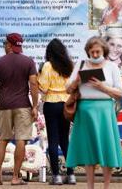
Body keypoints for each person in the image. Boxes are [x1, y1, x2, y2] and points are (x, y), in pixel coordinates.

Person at [66, 36, 122, 189]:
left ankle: (106, 186)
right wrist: (77, 81)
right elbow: (67, 89)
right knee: (88, 150)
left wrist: (102, 87)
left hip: (105, 110)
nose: (96, 54)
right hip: (85, 111)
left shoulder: (112, 66)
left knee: (106, 148)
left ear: (104, 51)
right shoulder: (81, 64)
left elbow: (120, 93)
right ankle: (89, 186)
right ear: (88, 51)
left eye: (98, 51)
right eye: (93, 52)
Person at [0, 33, 38, 186]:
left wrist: (3, 88)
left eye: (5, 44)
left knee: (3, 139)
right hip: (23, 105)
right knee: (21, 140)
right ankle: (15, 177)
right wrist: (35, 105)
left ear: (9, 45)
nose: (5, 46)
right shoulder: (28, 62)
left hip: (4, 106)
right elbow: (34, 84)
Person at [37, 38, 76, 185]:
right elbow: (73, 86)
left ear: (49, 52)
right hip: (66, 103)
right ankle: (71, 175)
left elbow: (44, 88)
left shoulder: (47, 66)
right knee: (65, 140)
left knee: (53, 140)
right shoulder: (69, 65)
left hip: (51, 104)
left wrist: (38, 75)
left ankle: (56, 176)